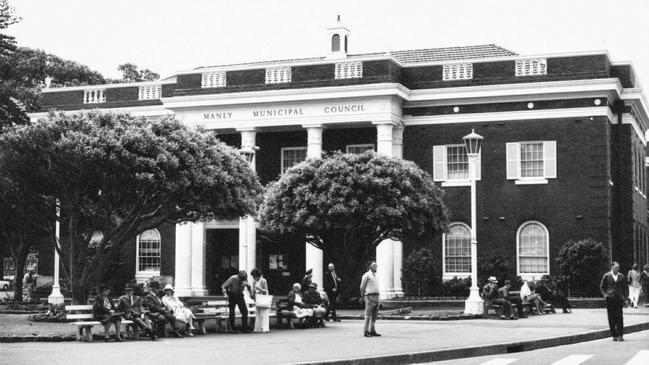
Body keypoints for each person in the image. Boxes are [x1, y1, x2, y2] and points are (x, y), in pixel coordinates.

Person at [600, 261, 629, 341]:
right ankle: (614, 335)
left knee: (619, 317)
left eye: (618, 267)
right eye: (616, 267)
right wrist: (605, 295)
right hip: (610, 298)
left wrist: (626, 299)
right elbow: (602, 287)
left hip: (619, 298)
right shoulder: (607, 276)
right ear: (612, 267)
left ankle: (620, 334)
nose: (617, 269)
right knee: (611, 317)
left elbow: (625, 288)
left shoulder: (621, 276)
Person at [360, 261, 381, 337]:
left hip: (376, 297)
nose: (376, 267)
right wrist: (363, 296)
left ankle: (372, 330)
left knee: (375, 315)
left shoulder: (376, 275)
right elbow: (362, 287)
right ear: (370, 266)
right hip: (370, 296)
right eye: (374, 265)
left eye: (376, 265)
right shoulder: (366, 275)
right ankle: (366, 331)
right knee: (368, 315)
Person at [250, 268, 270, 333]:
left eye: (254, 276)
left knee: (265, 313)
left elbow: (265, 291)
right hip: (257, 298)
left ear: (257, 276)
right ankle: (257, 328)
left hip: (263, 298)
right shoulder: (254, 282)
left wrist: (260, 289)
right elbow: (253, 290)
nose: (253, 278)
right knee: (258, 313)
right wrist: (252, 294)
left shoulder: (263, 281)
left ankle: (265, 328)